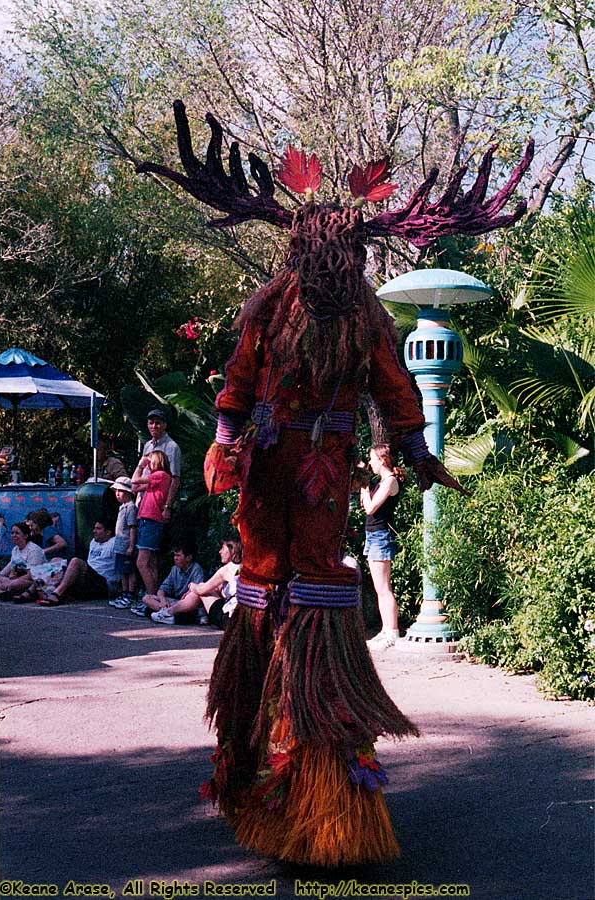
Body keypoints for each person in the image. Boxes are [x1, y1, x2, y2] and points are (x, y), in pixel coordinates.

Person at [137, 109, 525, 866]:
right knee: (260, 589)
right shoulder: (273, 307)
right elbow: (239, 384)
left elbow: (395, 388)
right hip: (265, 477)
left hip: (320, 477)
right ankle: (255, 775)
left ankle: (323, 792)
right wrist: (223, 443)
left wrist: (416, 450)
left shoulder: (366, 317)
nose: (329, 262)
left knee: (313, 587)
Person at [360, 445, 406, 651]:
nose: (370, 463)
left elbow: (370, 507)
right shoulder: (382, 482)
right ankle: (386, 629)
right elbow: (367, 507)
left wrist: (365, 485)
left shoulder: (390, 482)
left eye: (372, 459)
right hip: (373, 535)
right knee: (379, 588)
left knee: (384, 588)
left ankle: (392, 632)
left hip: (380, 536)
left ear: (382, 460)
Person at [152, 538, 242, 627]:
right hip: (242, 616)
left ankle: (168, 613)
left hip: (230, 619)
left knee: (201, 587)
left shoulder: (227, 569)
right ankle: (172, 612)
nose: (219, 552)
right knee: (146, 598)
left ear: (232, 550)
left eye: (223, 548)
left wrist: (192, 586)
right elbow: (217, 589)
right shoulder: (244, 567)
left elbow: (201, 590)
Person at [38, 520, 116, 605]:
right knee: (56, 560)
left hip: (103, 583)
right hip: (88, 580)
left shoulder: (114, 543)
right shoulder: (94, 542)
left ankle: (56, 594)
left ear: (108, 532)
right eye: (94, 528)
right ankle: (41, 590)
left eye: (98, 529)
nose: (94, 531)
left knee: (76, 561)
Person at [132, 450, 172, 595]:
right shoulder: (157, 479)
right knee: (151, 562)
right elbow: (135, 488)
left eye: (151, 461)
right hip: (148, 519)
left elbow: (134, 480)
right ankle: (153, 594)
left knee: (141, 562)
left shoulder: (160, 475)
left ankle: (150, 596)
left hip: (150, 519)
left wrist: (141, 466)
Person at [133, 539, 204, 619]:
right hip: (175, 602)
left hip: (186, 603)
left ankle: (168, 612)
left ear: (188, 558)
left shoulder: (196, 569)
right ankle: (170, 613)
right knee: (146, 598)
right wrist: (163, 600)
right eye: (174, 555)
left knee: (193, 599)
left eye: (178, 555)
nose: (175, 558)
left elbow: (198, 591)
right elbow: (162, 588)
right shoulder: (174, 569)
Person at [132, 409, 181, 522]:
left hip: (157, 505)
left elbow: (175, 479)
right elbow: (143, 472)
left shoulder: (172, 447)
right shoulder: (148, 445)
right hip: (143, 503)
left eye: (157, 423)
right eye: (151, 423)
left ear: (164, 425)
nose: (154, 426)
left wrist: (167, 507)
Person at [108, 477, 138, 609]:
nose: (117, 494)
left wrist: (131, 546)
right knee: (122, 571)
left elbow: (132, 528)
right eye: (116, 491)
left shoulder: (131, 508)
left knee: (129, 571)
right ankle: (124, 593)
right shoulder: (122, 507)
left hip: (126, 546)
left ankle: (130, 595)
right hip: (119, 546)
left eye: (120, 491)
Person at [0, 522, 46, 600]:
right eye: (12, 533)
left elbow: (31, 575)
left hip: (33, 581)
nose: (14, 535)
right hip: (15, 579)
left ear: (25, 536)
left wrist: (11, 582)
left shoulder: (33, 550)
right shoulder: (15, 549)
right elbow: (8, 570)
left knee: (14, 584)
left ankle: (4, 590)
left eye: (17, 533)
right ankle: (2, 593)